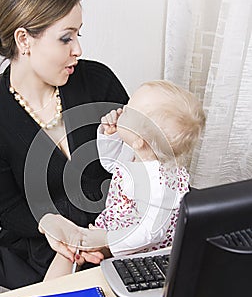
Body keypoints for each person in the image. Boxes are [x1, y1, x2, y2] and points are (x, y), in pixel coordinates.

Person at [0, 0, 129, 289]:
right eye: (66, 37)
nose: (78, 49)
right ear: (24, 39)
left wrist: (110, 236)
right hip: (39, 259)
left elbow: (141, 161)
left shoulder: (98, 81)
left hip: (119, 241)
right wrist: (48, 223)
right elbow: (9, 209)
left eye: (78, 34)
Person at [42, 80, 206, 280]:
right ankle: (44, 296)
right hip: (117, 225)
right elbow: (110, 164)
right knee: (70, 249)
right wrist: (110, 135)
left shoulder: (159, 183)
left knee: (78, 248)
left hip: (141, 246)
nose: (121, 110)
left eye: (129, 110)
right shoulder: (139, 151)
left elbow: (151, 233)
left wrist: (108, 240)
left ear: (139, 139)